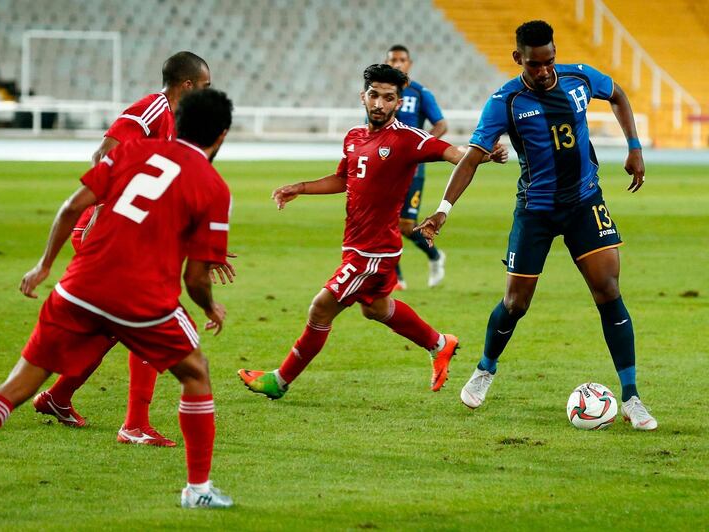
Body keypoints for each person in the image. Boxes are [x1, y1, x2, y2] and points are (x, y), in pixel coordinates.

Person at [0, 88, 236, 512]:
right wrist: (209, 305)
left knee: (17, 385)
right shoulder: (213, 186)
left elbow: (72, 206)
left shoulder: (133, 152)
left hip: (78, 286)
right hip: (142, 301)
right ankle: (197, 489)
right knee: (196, 372)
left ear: (176, 123)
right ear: (221, 135)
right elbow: (195, 277)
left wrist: (44, 265)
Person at [416, 20, 657, 430]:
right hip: (536, 210)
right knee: (515, 303)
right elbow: (473, 157)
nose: (544, 72)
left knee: (609, 290)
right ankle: (485, 370)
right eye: (534, 65)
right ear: (518, 59)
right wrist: (443, 209)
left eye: (549, 62)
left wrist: (634, 146)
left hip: (585, 202)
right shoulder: (505, 102)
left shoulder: (579, 78)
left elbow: (617, 95)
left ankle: (632, 397)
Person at [238, 64, 506, 400]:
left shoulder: (407, 139)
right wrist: (300, 188)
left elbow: (455, 155)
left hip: (372, 252)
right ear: (363, 96)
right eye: (375, 95)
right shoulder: (353, 137)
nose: (380, 103)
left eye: (388, 98)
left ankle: (280, 380)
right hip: (361, 245)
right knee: (376, 308)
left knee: (321, 308)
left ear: (398, 103)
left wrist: (483, 155)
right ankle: (440, 343)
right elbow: (343, 178)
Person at [32, 51, 223, 448]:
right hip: (106, 228)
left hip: (125, 230)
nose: (206, 93)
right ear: (188, 85)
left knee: (114, 327)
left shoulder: (173, 121)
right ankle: (134, 423)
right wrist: (105, 216)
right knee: (153, 314)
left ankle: (59, 396)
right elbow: (104, 154)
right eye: (204, 86)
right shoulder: (150, 108)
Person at [385, 44, 449, 290]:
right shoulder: (381, 95)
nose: (397, 64)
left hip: (412, 169)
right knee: (386, 222)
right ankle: (397, 279)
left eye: (401, 60)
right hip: (385, 167)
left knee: (405, 226)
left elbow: (441, 125)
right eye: (393, 60)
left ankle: (435, 256)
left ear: (409, 64)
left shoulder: (420, 93)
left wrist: (421, 148)